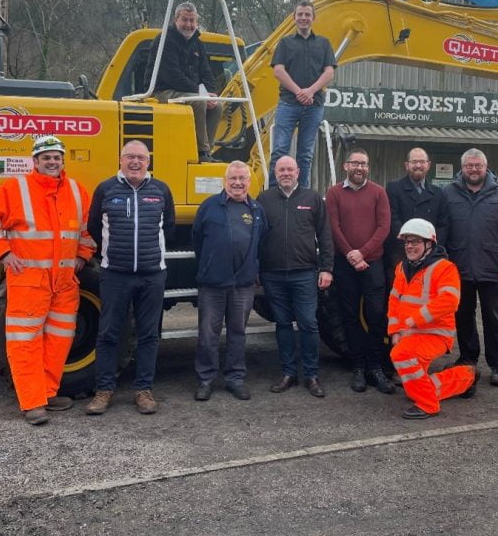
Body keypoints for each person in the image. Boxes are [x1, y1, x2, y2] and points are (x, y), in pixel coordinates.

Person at [0, 135, 96, 425]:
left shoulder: (77, 191)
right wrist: (3, 254)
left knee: (59, 340)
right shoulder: (17, 188)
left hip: (65, 282)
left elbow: (88, 228)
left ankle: (48, 392)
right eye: (46, 158)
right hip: (29, 280)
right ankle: (32, 403)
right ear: (35, 162)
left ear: (63, 161)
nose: (52, 162)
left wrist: (83, 254)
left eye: (56, 157)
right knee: (25, 342)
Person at [84, 141, 175, 417]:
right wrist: (116, 255)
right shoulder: (106, 189)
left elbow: (167, 226)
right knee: (108, 333)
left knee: (149, 335)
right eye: (130, 157)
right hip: (116, 275)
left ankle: (143, 390)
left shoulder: (161, 190)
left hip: (152, 275)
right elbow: (93, 227)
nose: (135, 162)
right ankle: (104, 391)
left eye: (141, 158)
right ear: (120, 160)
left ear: (148, 162)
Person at [443, 148, 498, 394]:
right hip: (459, 266)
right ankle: (467, 357)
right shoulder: (448, 193)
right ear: (462, 167)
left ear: (486, 167)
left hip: (493, 267)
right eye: (469, 166)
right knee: (463, 316)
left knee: (493, 318)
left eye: (478, 165)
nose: (473, 170)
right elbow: (442, 228)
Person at [257, 155, 334, 398]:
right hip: (273, 275)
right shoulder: (264, 199)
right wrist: (257, 269)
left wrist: (326, 268)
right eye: (281, 170)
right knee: (282, 324)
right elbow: (256, 239)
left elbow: (325, 236)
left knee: (309, 324)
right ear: (275, 173)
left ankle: (311, 374)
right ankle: (288, 373)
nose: (286, 173)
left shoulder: (312, 198)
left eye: (290, 169)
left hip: (304, 273)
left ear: (298, 172)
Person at [192, 161, 267, 401]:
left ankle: (235, 378)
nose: (237, 183)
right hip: (213, 284)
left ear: (248, 181)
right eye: (233, 178)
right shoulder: (209, 207)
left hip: (242, 285)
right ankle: (206, 379)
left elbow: (261, 243)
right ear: (225, 181)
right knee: (208, 333)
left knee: (238, 332)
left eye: (242, 178)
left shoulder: (256, 209)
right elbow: (197, 241)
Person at [388, 219, 477, 419]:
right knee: (416, 386)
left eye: (415, 241)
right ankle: (466, 377)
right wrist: (394, 329)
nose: (409, 246)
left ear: (429, 244)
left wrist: (413, 320)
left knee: (401, 356)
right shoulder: (403, 267)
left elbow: (450, 301)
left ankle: (428, 405)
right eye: (407, 242)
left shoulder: (445, 268)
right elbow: (394, 299)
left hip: (435, 334)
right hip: (410, 334)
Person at [326, 148, 394, 394]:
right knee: (350, 315)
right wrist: (351, 255)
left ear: (368, 167)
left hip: (373, 263)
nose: (360, 168)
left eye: (363, 164)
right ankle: (357, 367)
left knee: (376, 314)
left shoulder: (379, 192)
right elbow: (333, 227)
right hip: (345, 263)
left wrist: (363, 253)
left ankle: (375, 368)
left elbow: (384, 227)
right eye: (355, 163)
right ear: (346, 166)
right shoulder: (334, 193)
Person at [269, 1, 337, 186]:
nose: (303, 18)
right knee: (279, 150)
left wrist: (311, 91)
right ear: (294, 18)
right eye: (300, 14)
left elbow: (329, 72)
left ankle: (302, 193)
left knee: (305, 154)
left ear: (313, 18)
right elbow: (278, 71)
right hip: (288, 103)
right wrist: (299, 92)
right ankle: (275, 192)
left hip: (313, 106)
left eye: (307, 14)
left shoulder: (324, 43)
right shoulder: (285, 43)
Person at [146, 1, 221, 162]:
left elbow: (206, 72)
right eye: (185, 20)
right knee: (198, 102)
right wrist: (201, 95)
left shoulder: (198, 44)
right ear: (176, 20)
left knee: (218, 105)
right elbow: (172, 76)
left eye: (192, 21)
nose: (189, 25)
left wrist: (209, 93)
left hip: (185, 92)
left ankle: (208, 150)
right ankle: (201, 151)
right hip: (162, 91)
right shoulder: (165, 41)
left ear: (197, 22)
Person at [385, 147, 450, 276]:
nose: (418, 165)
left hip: (430, 256)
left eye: (422, 162)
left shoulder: (438, 193)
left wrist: (430, 247)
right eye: (414, 162)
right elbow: (392, 219)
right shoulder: (394, 188)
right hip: (400, 254)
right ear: (407, 165)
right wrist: (411, 244)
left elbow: (443, 224)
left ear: (428, 165)